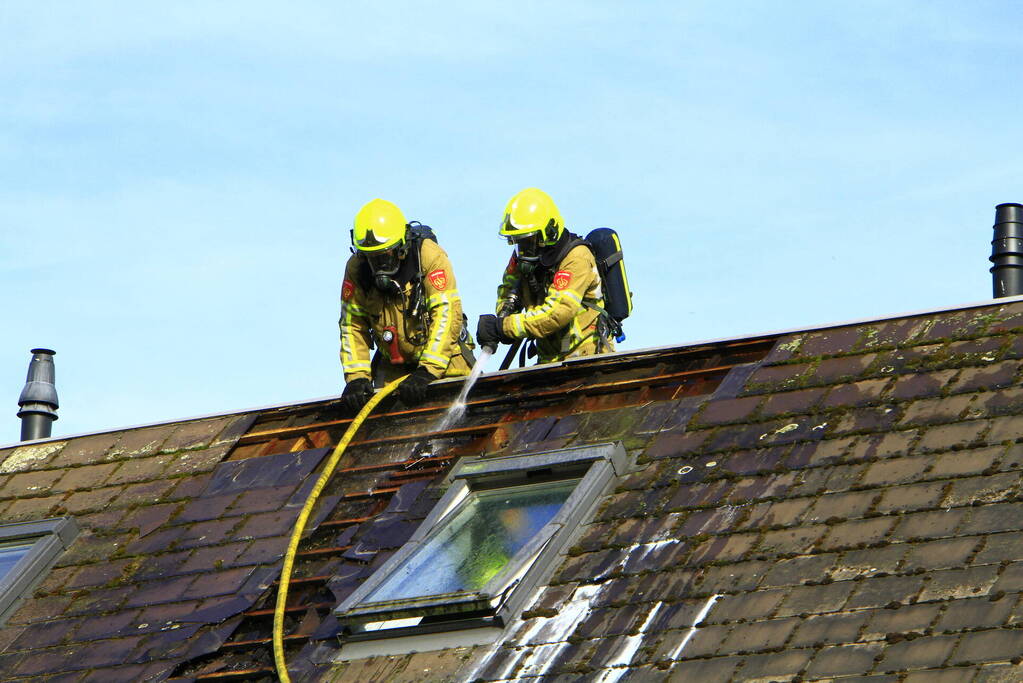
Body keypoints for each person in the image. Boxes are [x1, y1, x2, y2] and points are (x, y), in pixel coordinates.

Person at [339, 198, 473, 411]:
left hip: (446, 363)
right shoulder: (357, 269)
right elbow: (352, 325)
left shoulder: (429, 256)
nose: (379, 265)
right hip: (393, 367)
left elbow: (446, 315)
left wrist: (427, 371)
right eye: (372, 257)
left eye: (385, 256)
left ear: (401, 246)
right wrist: (356, 378)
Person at [476, 188, 613, 365]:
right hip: (548, 358)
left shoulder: (576, 257)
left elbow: (557, 313)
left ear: (549, 232)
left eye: (528, 240)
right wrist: (502, 316)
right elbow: (507, 287)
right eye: (517, 241)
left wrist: (505, 327)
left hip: (586, 357)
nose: (522, 249)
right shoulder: (525, 257)